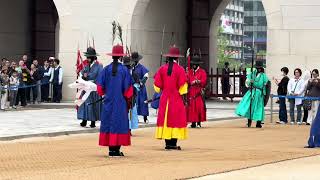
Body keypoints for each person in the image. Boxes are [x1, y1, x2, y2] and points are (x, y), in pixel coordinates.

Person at [96, 44, 133, 157]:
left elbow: (99, 88)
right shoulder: (125, 70)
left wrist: (105, 94)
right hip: (120, 102)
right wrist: (128, 100)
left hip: (108, 101)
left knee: (108, 122)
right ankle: (116, 150)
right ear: (121, 57)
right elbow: (129, 90)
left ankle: (111, 149)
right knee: (119, 123)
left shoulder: (106, 69)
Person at [153, 46, 188, 150]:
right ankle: (173, 143)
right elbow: (183, 89)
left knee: (165, 119)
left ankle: (167, 143)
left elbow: (157, 87)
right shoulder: (180, 70)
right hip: (175, 99)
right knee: (175, 120)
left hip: (164, 99)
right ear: (177, 58)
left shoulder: (162, 69)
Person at [235, 61, 269, 128]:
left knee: (258, 107)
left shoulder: (263, 76)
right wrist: (249, 81)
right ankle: (249, 121)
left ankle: (258, 123)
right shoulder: (252, 74)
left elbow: (264, 84)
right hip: (252, 91)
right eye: (257, 67)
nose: (258, 69)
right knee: (249, 106)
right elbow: (247, 82)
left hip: (259, 93)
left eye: (259, 68)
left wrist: (264, 94)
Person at [78, 47, 103, 128]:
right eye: (87, 57)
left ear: (93, 57)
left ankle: (93, 121)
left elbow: (100, 77)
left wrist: (92, 81)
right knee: (84, 104)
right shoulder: (86, 66)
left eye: (89, 57)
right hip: (86, 87)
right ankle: (84, 120)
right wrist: (83, 77)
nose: (87, 58)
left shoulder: (99, 66)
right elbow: (82, 73)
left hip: (93, 89)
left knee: (92, 105)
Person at [187, 55, 207, 128]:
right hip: (191, 91)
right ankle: (193, 122)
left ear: (198, 64)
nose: (194, 65)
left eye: (195, 64)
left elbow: (204, 81)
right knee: (191, 107)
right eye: (193, 64)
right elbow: (187, 80)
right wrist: (189, 82)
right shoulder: (189, 72)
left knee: (199, 107)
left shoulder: (202, 72)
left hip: (198, 91)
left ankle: (198, 122)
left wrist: (198, 81)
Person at [132, 52, 150, 123]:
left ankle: (145, 118)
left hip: (141, 88)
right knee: (134, 103)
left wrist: (141, 83)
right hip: (134, 88)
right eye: (134, 60)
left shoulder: (141, 67)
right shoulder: (131, 67)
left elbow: (146, 75)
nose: (135, 61)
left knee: (143, 102)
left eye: (136, 60)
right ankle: (135, 118)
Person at [123, 56, 139, 132]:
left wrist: (134, 87)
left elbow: (137, 85)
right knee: (124, 112)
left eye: (128, 65)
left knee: (130, 112)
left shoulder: (134, 74)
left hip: (131, 95)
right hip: (123, 95)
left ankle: (129, 129)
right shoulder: (121, 73)